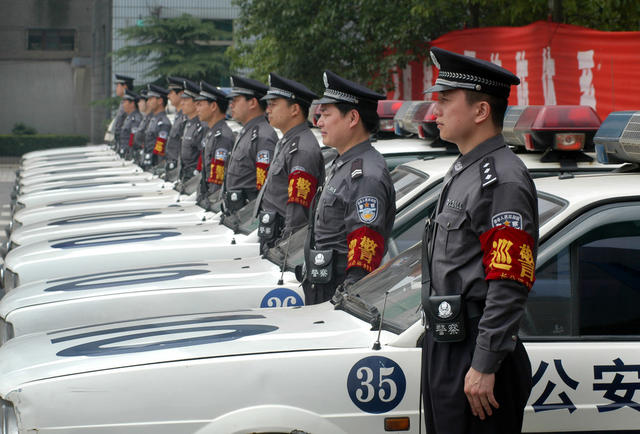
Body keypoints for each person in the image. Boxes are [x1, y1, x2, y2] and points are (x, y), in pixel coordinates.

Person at [420, 47, 538, 434]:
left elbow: (509, 281)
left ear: (481, 111)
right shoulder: (465, 168)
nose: (434, 111)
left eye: (445, 100)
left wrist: (484, 364)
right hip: (449, 345)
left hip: (477, 356)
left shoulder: (501, 180)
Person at [302, 70, 395, 305]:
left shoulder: (365, 176)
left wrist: (345, 302)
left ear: (352, 118)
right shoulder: (345, 163)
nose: (319, 121)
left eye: (326, 114)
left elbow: (363, 258)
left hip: (337, 298)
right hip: (323, 288)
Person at [255, 72, 325, 253]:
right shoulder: (288, 141)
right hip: (272, 238)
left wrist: (284, 251)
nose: (267, 109)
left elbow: (297, 215)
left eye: (273, 104)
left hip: (283, 246)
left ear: (294, 109)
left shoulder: (301, 148)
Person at [222, 76, 277, 214]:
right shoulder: (247, 131)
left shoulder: (262, 136)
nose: (231, 105)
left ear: (252, 103)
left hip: (248, 216)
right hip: (236, 214)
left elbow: (264, 189)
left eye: (235, 100)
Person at [194, 80, 234, 209]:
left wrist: (211, 202)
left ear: (213, 106)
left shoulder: (222, 136)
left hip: (214, 203)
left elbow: (218, 177)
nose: (197, 108)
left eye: (200, 104)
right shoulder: (212, 133)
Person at [177, 79, 207, 187]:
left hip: (195, 181)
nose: (182, 103)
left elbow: (202, 157)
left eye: (186, 100)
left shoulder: (202, 127)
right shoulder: (188, 124)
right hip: (185, 178)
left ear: (196, 103)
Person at [142, 84, 171, 170]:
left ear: (160, 101)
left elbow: (160, 148)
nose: (148, 102)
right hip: (148, 162)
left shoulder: (163, 122)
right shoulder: (153, 119)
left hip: (155, 164)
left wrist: (158, 167)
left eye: (151, 99)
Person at [164, 76, 188, 181]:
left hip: (179, 172)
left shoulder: (185, 119)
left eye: (171, 92)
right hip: (173, 170)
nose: (168, 96)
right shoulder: (178, 116)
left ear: (181, 93)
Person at [117, 89, 143, 157]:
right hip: (125, 152)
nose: (123, 105)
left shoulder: (136, 119)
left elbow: (133, 140)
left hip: (130, 154)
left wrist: (130, 154)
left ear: (132, 104)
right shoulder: (129, 117)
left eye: (125, 102)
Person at [111, 74, 134, 148]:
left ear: (125, 87)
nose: (116, 89)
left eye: (118, 86)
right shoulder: (123, 103)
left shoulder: (130, 104)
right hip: (122, 143)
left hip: (127, 145)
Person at [131, 88, 151, 162]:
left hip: (148, 158)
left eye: (141, 101)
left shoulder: (152, 120)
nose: (138, 103)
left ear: (147, 102)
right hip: (140, 157)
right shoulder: (145, 118)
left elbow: (158, 145)